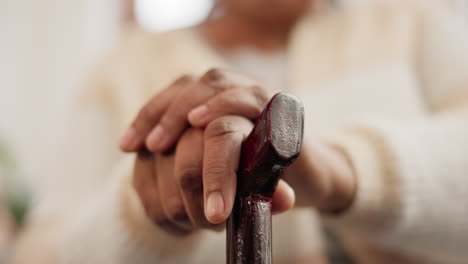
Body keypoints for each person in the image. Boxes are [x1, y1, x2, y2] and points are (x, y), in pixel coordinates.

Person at [11, 0, 468, 263]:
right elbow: (38, 253)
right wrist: (140, 215)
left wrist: (341, 171)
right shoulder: (120, 68)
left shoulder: (412, 18)